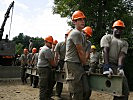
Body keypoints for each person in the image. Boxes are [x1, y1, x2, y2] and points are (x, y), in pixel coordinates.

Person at [100, 20, 129, 100]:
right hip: (108, 64)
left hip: (116, 66)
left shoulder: (124, 43)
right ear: (113, 28)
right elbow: (105, 50)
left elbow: (121, 55)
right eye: (117, 28)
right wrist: (106, 67)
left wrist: (120, 67)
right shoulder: (107, 37)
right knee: (116, 89)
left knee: (124, 91)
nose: (119, 30)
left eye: (121, 28)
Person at [64, 10, 90, 100]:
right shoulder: (76, 33)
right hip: (72, 64)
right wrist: (86, 64)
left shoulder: (81, 34)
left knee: (86, 90)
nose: (83, 21)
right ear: (74, 22)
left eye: (83, 19)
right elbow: (81, 51)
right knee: (76, 91)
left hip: (77, 64)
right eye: (79, 19)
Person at [37, 35, 56, 100]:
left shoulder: (43, 48)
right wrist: (55, 65)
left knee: (48, 83)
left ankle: (47, 97)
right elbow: (51, 62)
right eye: (50, 43)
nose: (51, 44)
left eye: (51, 43)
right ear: (46, 42)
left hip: (44, 68)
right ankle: (43, 98)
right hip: (44, 68)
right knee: (44, 84)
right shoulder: (46, 49)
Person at [54, 30, 71, 98]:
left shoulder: (73, 45)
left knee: (71, 79)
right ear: (65, 37)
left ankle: (71, 94)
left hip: (69, 62)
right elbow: (56, 55)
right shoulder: (60, 44)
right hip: (61, 61)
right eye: (66, 36)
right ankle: (58, 93)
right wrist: (56, 64)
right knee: (59, 79)